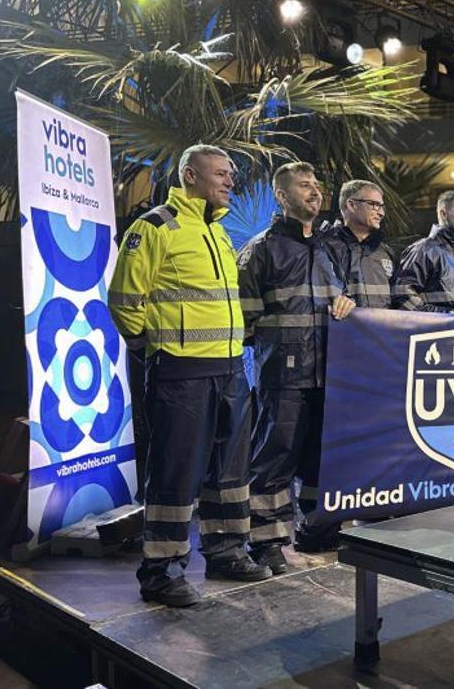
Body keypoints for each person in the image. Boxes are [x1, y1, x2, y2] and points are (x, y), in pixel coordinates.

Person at [109, 144, 271, 608]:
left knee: (229, 472)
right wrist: (149, 346)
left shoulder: (218, 233)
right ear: (189, 175)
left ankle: (225, 552)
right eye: (220, 173)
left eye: (230, 175)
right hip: (181, 373)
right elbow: (124, 302)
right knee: (176, 473)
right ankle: (160, 571)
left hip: (229, 369)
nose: (229, 181)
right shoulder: (156, 227)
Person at [238, 163, 355, 573]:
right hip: (283, 376)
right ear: (282, 197)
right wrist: (275, 354)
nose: (315, 191)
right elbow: (243, 322)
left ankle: (317, 531)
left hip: (330, 375)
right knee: (273, 462)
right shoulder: (261, 250)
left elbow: (346, 298)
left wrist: (348, 303)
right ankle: (266, 543)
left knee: (322, 461)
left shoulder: (330, 249)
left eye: (317, 185)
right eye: (304, 186)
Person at [394, 190, 454, 316]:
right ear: (443, 214)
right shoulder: (423, 250)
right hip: (433, 333)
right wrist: (442, 317)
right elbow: (401, 295)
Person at [329, 179, 397, 309]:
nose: (381, 213)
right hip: (340, 329)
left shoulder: (386, 252)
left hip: (380, 329)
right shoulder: (322, 248)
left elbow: (398, 301)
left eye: (381, 206)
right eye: (374, 204)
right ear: (351, 205)